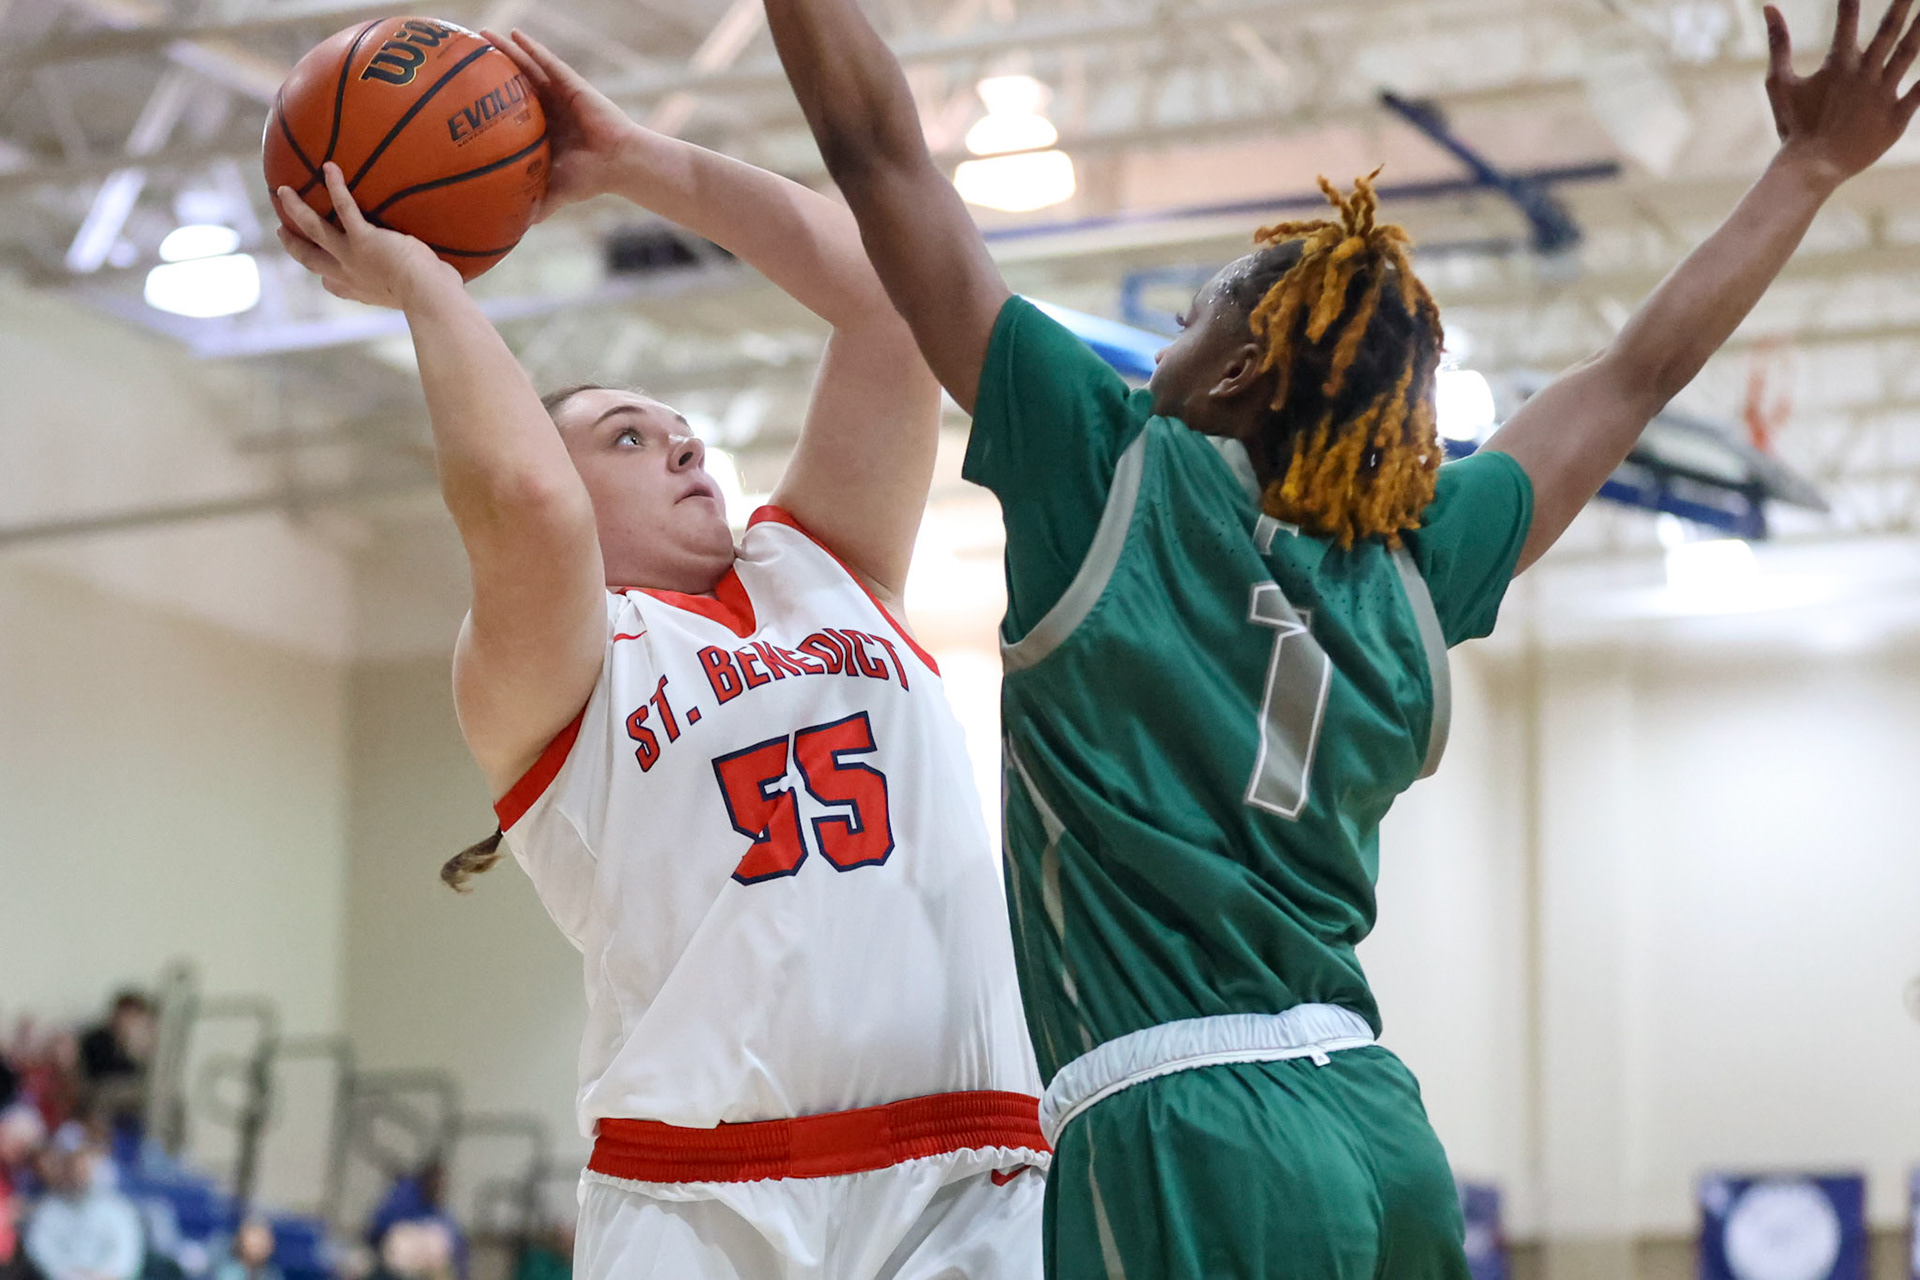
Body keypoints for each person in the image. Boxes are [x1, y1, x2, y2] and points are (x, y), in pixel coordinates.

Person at [761, 0, 1920, 1274]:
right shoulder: (1420, 558)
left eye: (1195, 312)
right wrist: (1805, 172)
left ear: (1250, 364)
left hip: (1186, 1124)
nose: (1164, 343)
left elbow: (878, 154)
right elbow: (1633, 373)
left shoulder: (1106, 470)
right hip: (1376, 1122)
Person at [271, 26, 1045, 1280]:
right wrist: (426, 281)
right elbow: (523, 498)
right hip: (704, 1207)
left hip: (967, 1180)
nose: (687, 449)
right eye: (631, 437)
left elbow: (890, 305)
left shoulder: (823, 563)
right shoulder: (557, 663)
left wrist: (631, 158)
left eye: (684, 433)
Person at [22, 1126, 144, 1280]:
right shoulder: (47, 1211)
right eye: (74, 1165)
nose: (80, 1172)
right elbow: (40, 1251)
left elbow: (126, 1253)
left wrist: (104, 1275)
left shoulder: (118, 1208)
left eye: (85, 1166)